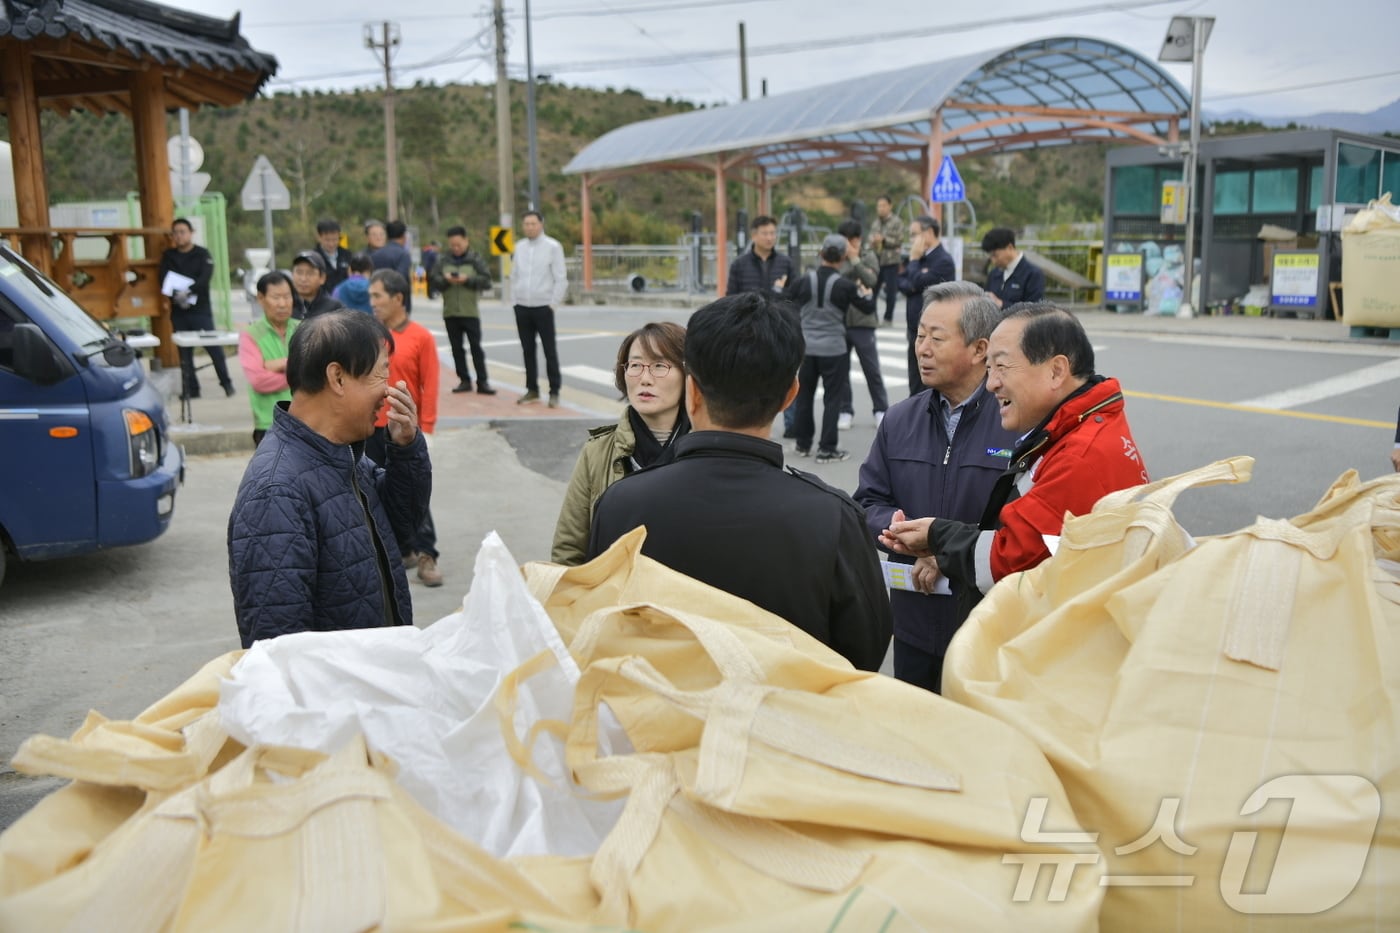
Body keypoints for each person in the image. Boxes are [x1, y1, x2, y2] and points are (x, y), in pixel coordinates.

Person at [587, 290, 892, 672]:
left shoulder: (620, 505)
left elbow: (598, 632)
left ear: (692, 391)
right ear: (790, 395)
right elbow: (864, 653)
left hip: (658, 723)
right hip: (785, 724)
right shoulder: (834, 519)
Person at [882, 304, 1150, 624]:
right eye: (989, 367)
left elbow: (1008, 562)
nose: (992, 382)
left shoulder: (1078, 457)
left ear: (1056, 371)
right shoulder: (1080, 428)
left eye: (1001, 366)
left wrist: (937, 536)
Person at [227, 310, 431, 648]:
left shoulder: (342, 453)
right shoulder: (276, 492)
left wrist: (406, 449)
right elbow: (280, 647)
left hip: (374, 676)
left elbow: (402, 527)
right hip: (340, 695)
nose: (389, 391)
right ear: (337, 378)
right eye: (381, 373)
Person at [854, 282, 1017, 692]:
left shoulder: (1016, 423)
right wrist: (897, 532)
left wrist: (947, 551)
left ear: (980, 350)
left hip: (990, 629)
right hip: (913, 622)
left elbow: (1027, 527)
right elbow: (868, 501)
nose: (922, 348)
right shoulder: (899, 420)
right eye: (919, 335)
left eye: (936, 338)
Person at [552, 322, 691, 565]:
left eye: (660, 366)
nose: (645, 379)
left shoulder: (705, 449)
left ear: (689, 375)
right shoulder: (597, 452)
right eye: (635, 365)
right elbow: (568, 550)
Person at [366, 269, 443, 587]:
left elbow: (431, 384)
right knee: (377, 490)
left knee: (415, 492)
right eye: (371, 296)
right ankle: (400, 550)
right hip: (371, 427)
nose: (372, 302)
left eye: (377, 296)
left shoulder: (420, 337)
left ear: (398, 298)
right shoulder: (371, 335)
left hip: (405, 431)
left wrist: (425, 428)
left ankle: (427, 554)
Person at [785, 234, 876, 464]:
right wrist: (867, 295)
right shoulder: (845, 285)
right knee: (832, 399)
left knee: (804, 396)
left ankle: (803, 443)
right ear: (843, 258)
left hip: (807, 348)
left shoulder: (804, 281)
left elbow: (785, 300)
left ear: (821, 254)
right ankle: (827, 448)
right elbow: (866, 307)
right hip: (835, 349)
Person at [160, 217, 233, 399]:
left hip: (200, 310)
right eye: (175, 232)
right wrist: (176, 293)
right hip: (179, 310)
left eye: (182, 232)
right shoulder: (169, 256)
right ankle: (191, 389)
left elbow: (204, 278)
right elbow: (163, 279)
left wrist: (188, 290)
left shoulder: (202, 254)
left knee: (213, 347)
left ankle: (226, 383)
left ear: (191, 233)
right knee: (184, 354)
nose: (179, 236)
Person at [834, 219, 887, 431]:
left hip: (864, 322)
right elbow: (837, 281)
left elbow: (872, 280)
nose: (847, 244)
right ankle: (845, 410)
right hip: (840, 320)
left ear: (858, 239)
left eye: (851, 240)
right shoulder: (836, 257)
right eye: (844, 240)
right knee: (841, 369)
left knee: (871, 368)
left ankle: (881, 409)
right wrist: (852, 270)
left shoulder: (868, 256)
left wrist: (855, 260)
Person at [510, 210, 567, 407]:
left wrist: (553, 304)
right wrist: (514, 302)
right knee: (527, 350)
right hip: (522, 307)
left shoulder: (553, 246)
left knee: (549, 350)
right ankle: (532, 389)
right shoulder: (519, 247)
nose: (529, 227)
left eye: (533, 223)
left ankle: (554, 391)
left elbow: (561, 278)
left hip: (544, 307)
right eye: (526, 224)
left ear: (541, 224)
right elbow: (514, 276)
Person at [430, 225, 496, 395]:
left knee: (476, 348)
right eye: (452, 245)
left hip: (470, 312)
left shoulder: (475, 260)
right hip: (450, 312)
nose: (456, 248)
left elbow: (487, 281)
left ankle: (483, 382)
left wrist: (468, 280)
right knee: (456, 349)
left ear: (466, 241)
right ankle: (464, 380)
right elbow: (433, 280)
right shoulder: (443, 261)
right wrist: (445, 280)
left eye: (459, 244)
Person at [239, 271, 300, 447]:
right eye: (276, 297)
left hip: (305, 420)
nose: (282, 303)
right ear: (260, 298)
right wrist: (299, 374)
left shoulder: (303, 329)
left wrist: (279, 364)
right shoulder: (250, 335)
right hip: (268, 423)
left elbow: (316, 370)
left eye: (287, 296)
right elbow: (258, 381)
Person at [898, 215, 957, 396]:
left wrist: (914, 263)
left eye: (914, 235)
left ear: (929, 233)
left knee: (930, 385)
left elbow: (919, 284)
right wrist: (915, 280)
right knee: (914, 383)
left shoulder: (943, 261)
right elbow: (902, 282)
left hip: (934, 334)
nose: (912, 240)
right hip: (914, 330)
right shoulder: (920, 259)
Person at [725, 214, 795, 296]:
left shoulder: (786, 263)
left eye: (772, 233)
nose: (769, 238)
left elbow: (795, 296)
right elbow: (731, 298)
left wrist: (780, 291)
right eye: (765, 234)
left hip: (778, 308)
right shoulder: (738, 265)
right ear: (754, 236)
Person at [982, 227, 1046, 308]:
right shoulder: (994, 274)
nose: (993, 261)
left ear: (1010, 247)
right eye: (990, 257)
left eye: (995, 255)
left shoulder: (1033, 274)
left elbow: (1035, 310)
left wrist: (1002, 304)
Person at [867, 195, 906, 324]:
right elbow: (870, 238)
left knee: (891, 291)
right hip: (876, 261)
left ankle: (888, 317)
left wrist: (883, 240)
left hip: (891, 261)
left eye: (883, 205)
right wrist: (872, 241)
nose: (881, 208)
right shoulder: (875, 223)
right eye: (879, 206)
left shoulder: (897, 222)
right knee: (873, 289)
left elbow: (899, 240)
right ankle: (873, 317)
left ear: (890, 206)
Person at [372, 220, 413, 312]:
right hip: (398, 303)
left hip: (378, 301)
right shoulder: (404, 255)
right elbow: (400, 278)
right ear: (403, 236)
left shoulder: (376, 254)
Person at [290, 250, 345, 320]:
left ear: (322, 278)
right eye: (299, 272)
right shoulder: (286, 306)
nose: (303, 279)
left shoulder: (334, 309)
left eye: (310, 273)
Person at [313, 218, 352, 294]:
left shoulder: (347, 255)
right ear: (319, 237)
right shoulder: (313, 258)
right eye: (327, 240)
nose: (331, 244)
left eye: (335, 240)